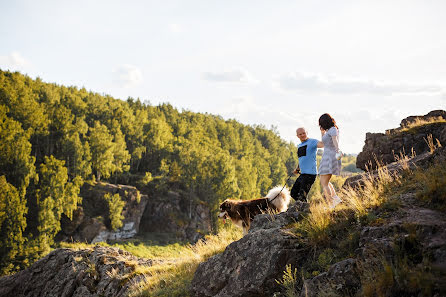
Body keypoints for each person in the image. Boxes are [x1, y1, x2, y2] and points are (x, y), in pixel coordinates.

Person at [291, 127, 322, 202]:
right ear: (297, 136)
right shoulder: (299, 145)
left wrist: (323, 133)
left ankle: (305, 211)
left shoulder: (312, 142)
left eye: (304, 133)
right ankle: (302, 208)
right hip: (303, 174)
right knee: (293, 193)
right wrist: (297, 169)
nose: (302, 135)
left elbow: (322, 144)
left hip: (310, 174)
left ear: (307, 133)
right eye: (300, 134)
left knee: (302, 195)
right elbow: (301, 159)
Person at [318, 113, 342, 208]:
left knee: (324, 183)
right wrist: (322, 133)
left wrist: (338, 151)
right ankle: (335, 198)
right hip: (327, 155)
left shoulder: (333, 129)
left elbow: (335, 140)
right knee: (324, 181)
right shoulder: (329, 131)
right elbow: (324, 143)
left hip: (330, 156)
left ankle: (331, 203)